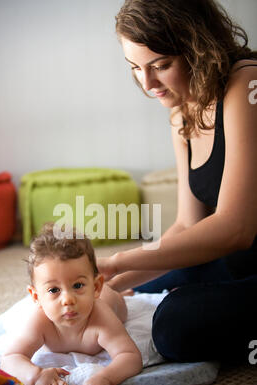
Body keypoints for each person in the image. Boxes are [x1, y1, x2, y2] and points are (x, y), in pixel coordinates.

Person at [98, 0, 257, 364]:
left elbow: (236, 228)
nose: (148, 83)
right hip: (235, 262)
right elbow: (187, 225)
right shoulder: (180, 114)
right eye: (136, 68)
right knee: (125, 295)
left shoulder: (246, 83)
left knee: (174, 325)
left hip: (241, 252)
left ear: (198, 47)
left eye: (161, 65)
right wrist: (106, 279)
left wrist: (121, 259)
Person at [0, 222, 142, 385]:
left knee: (115, 296)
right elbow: (9, 358)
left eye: (77, 285)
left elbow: (130, 356)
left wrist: (105, 377)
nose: (67, 299)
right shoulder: (40, 321)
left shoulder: (101, 317)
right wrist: (36, 376)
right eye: (54, 290)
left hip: (110, 300)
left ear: (96, 287)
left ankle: (119, 292)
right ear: (36, 297)